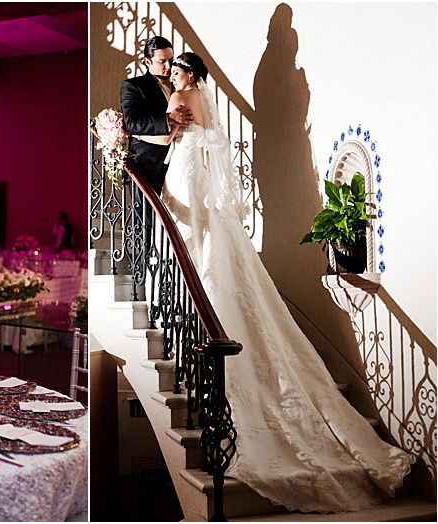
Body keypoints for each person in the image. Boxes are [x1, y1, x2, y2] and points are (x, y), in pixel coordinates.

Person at [156, 52, 413, 513]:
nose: (172, 74)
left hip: (186, 168)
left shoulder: (180, 94)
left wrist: (154, 132)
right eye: (171, 70)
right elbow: (206, 137)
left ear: (189, 74)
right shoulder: (202, 96)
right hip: (198, 170)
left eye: (177, 69)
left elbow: (173, 132)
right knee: (202, 242)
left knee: (189, 234)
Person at [120, 36, 194, 196]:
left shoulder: (180, 83)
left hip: (180, 162)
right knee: (148, 219)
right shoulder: (133, 86)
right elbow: (131, 123)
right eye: (162, 61)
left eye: (171, 60)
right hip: (147, 165)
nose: (168, 66)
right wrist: (168, 118)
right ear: (147, 62)